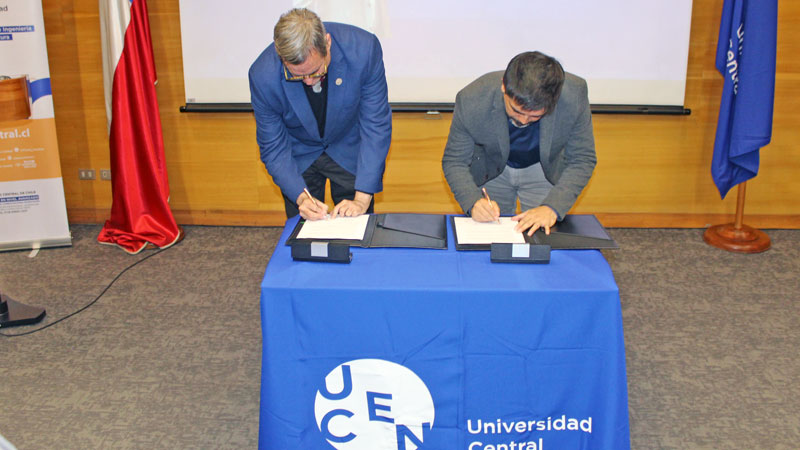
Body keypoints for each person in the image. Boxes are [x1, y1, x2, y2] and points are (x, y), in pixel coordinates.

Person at [249, 8, 391, 220]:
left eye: (316, 71)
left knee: (356, 224)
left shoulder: (363, 50)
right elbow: (273, 146)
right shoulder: (263, 76)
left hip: (349, 146)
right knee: (304, 228)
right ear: (281, 58)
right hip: (299, 154)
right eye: (297, 75)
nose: (309, 81)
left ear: (327, 43)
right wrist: (301, 198)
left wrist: (362, 200)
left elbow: (376, 124)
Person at [442, 51, 596, 235]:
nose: (523, 121)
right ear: (503, 87)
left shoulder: (574, 95)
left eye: (534, 116)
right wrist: (472, 202)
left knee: (540, 236)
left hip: (543, 167)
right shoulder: (472, 99)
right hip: (491, 166)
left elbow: (582, 159)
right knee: (490, 235)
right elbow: (455, 161)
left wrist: (552, 208)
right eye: (516, 111)